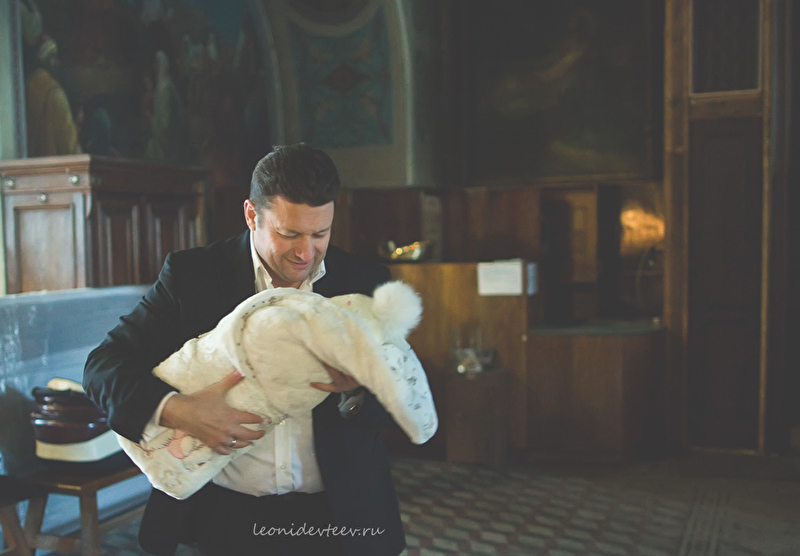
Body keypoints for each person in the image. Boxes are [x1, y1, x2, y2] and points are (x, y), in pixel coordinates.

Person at [83, 143, 406, 556]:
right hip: (227, 518)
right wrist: (180, 411)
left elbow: (403, 395)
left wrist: (357, 391)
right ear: (252, 215)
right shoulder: (192, 276)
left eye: (319, 234)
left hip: (340, 516)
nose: (305, 253)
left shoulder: (365, 281)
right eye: (289, 234)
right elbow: (103, 367)